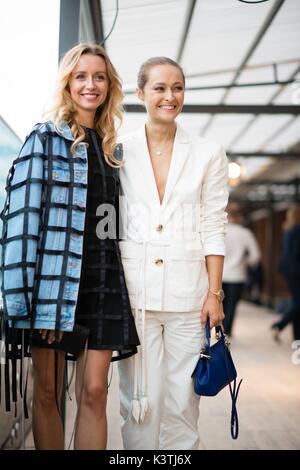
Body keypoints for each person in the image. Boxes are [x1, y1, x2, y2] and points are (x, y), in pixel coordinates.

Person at [1, 43, 139, 450]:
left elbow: (112, 225)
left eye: (98, 77)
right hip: (55, 283)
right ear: (67, 83)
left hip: (102, 281)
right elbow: (21, 223)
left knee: (94, 393)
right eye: (81, 76)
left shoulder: (113, 150)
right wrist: (24, 301)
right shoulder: (44, 139)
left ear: (109, 85)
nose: (90, 85)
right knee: (48, 393)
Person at [117, 57, 228, 450]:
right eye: (160, 88)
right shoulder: (118, 150)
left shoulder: (208, 152)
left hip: (189, 297)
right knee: (138, 404)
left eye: (177, 87)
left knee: (184, 404)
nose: (170, 96)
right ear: (140, 93)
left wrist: (214, 293)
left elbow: (214, 224)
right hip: (136, 295)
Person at [222, 204, 260, 337]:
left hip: (219, 275)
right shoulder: (245, 234)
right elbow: (255, 256)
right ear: (240, 217)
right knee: (232, 305)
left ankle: (218, 331)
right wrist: (244, 262)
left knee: (221, 304)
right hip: (237, 275)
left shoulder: (220, 231)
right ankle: (227, 332)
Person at [271, 206, 300, 341]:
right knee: (298, 303)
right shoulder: (297, 230)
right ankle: (280, 324)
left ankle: (297, 336)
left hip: (288, 269)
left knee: (297, 302)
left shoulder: (288, 230)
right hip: (296, 269)